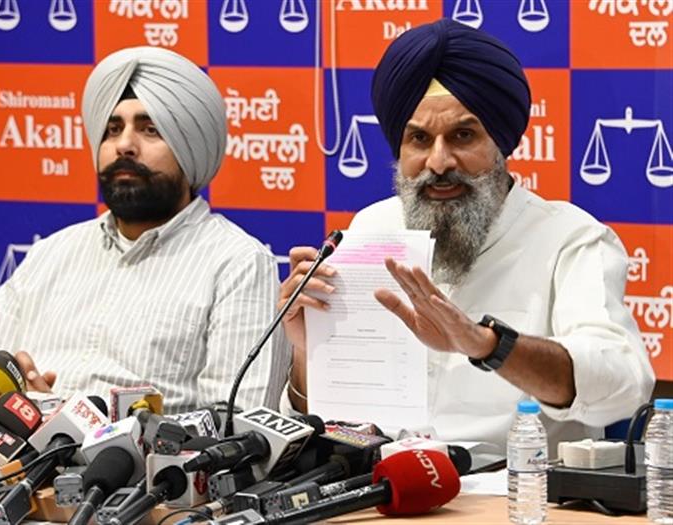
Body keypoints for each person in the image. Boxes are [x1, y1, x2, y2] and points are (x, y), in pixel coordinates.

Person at [280, 19, 654, 450]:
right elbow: (325, 419)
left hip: (511, 483)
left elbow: (624, 386)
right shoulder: (369, 230)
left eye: (462, 135)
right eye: (419, 139)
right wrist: (309, 353)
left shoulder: (570, 238)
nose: (439, 162)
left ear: (501, 144)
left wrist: (489, 346)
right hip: (382, 480)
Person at [0, 47, 289, 413]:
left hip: (144, 452)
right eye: (112, 129)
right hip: (15, 449)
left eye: (150, 130)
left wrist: (71, 422)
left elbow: (237, 423)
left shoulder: (239, 264)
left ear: (191, 150)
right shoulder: (50, 254)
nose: (124, 145)